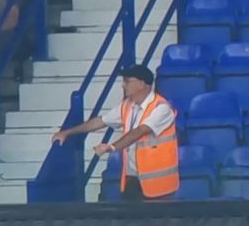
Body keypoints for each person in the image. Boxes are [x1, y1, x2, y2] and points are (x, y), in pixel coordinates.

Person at [50, 62, 178, 200]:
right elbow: (101, 121)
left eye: (127, 81)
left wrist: (112, 147)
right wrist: (67, 132)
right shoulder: (127, 105)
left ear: (142, 84)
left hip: (159, 185)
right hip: (133, 180)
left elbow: (140, 131)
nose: (123, 85)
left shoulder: (161, 108)